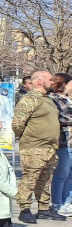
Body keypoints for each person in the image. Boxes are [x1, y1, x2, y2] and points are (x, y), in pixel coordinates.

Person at [11, 69, 65, 223]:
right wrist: (27, 138)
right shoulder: (29, 99)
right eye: (50, 79)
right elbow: (17, 124)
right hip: (34, 147)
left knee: (45, 180)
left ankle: (43, 209)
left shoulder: (47, 99)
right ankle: (25, 209)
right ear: (40, 81)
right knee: (30, 179)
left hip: (49, 147)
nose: (52, 82)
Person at [48, 73, 72, 217]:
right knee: (61, 173)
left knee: (70, 175)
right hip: (64, 142)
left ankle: (67, 202)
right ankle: (56, 203)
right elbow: (62, 117)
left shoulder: (69, 99)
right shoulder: (54, 100)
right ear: (64, 84)